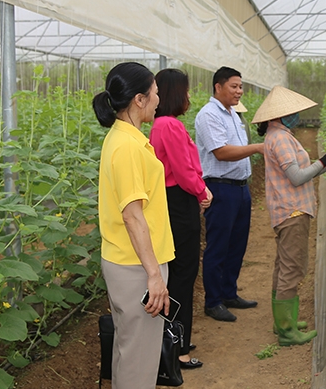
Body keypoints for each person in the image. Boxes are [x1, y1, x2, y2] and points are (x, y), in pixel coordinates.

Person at [92, 62, 175, 389]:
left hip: (131, 262)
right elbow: (132, 215)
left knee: (131, 351)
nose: (158, 100)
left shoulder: (126, 139)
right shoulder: (126, 147)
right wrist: (154, 275)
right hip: (137, 266)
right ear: (139, 100)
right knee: (138, 358)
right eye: (154, 94)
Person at [251, 86, 326, 346]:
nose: (298, 115)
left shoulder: (279, 134)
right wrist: (325, 162)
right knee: (292, 269)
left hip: (286, 209)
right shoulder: (280, 139)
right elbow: (296, 177)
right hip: (292, 210)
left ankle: (285, 320)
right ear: (283, 114)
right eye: (294, 111)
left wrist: (323, 162)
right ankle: (287, 332)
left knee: (283, 266)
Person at [149, 68, 213, 370]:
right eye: (186, 91)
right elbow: (184, 171)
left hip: (170, 203)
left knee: (177, 275)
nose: (188, 97)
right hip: (179, 203)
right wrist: (202, 192)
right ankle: (180, 350)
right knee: (183, 277)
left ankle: (173, 338)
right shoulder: (170, 126)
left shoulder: (160, 124)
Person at [194, 66, 264, 322]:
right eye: (234, 86)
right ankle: (212, 301)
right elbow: (221, 152)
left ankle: (228, 293)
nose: (239, 91)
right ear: (218, 87)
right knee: (218, 247)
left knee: (237, 244)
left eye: (240, 86)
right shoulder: (208, 115)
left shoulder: (233, 114)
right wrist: (256, 148)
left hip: (240, 187)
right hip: (220, 188)